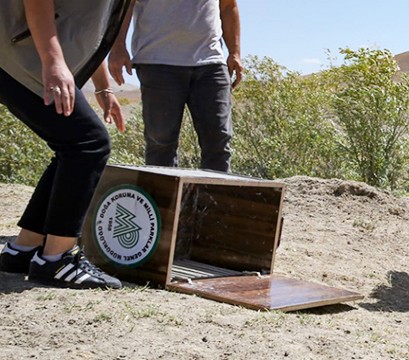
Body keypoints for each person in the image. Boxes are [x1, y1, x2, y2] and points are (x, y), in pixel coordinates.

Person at [0, 0, 130, 289]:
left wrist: (103, 87)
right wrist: (53, 61)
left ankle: (23, 250)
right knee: (89, 143)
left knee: (73, 145)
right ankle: (56, 259)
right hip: (23, 54)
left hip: (24, 53)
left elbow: (90, 28)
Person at [109, 0, 242, 172]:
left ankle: (215, 198)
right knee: (161, 143)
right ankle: (163, 198)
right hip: (157, 61)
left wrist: (235, 52)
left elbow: (228, 6)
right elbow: (125, 4)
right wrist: (118, 45)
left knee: (218, 141)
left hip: (211, 62)